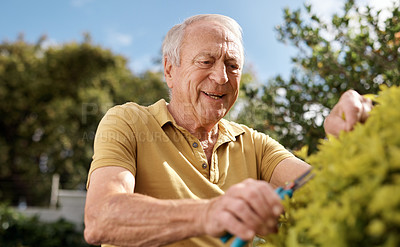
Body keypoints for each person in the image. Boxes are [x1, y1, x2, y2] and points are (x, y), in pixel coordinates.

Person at [84, 14, 373, 247]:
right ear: (170, 70)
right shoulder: (128, 121)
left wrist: (351, 141)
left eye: (232, 65)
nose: (221, 77)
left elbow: (326, 194)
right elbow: (101, 218)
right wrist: (209, 214)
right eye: (206, 61)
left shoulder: (254, 143)